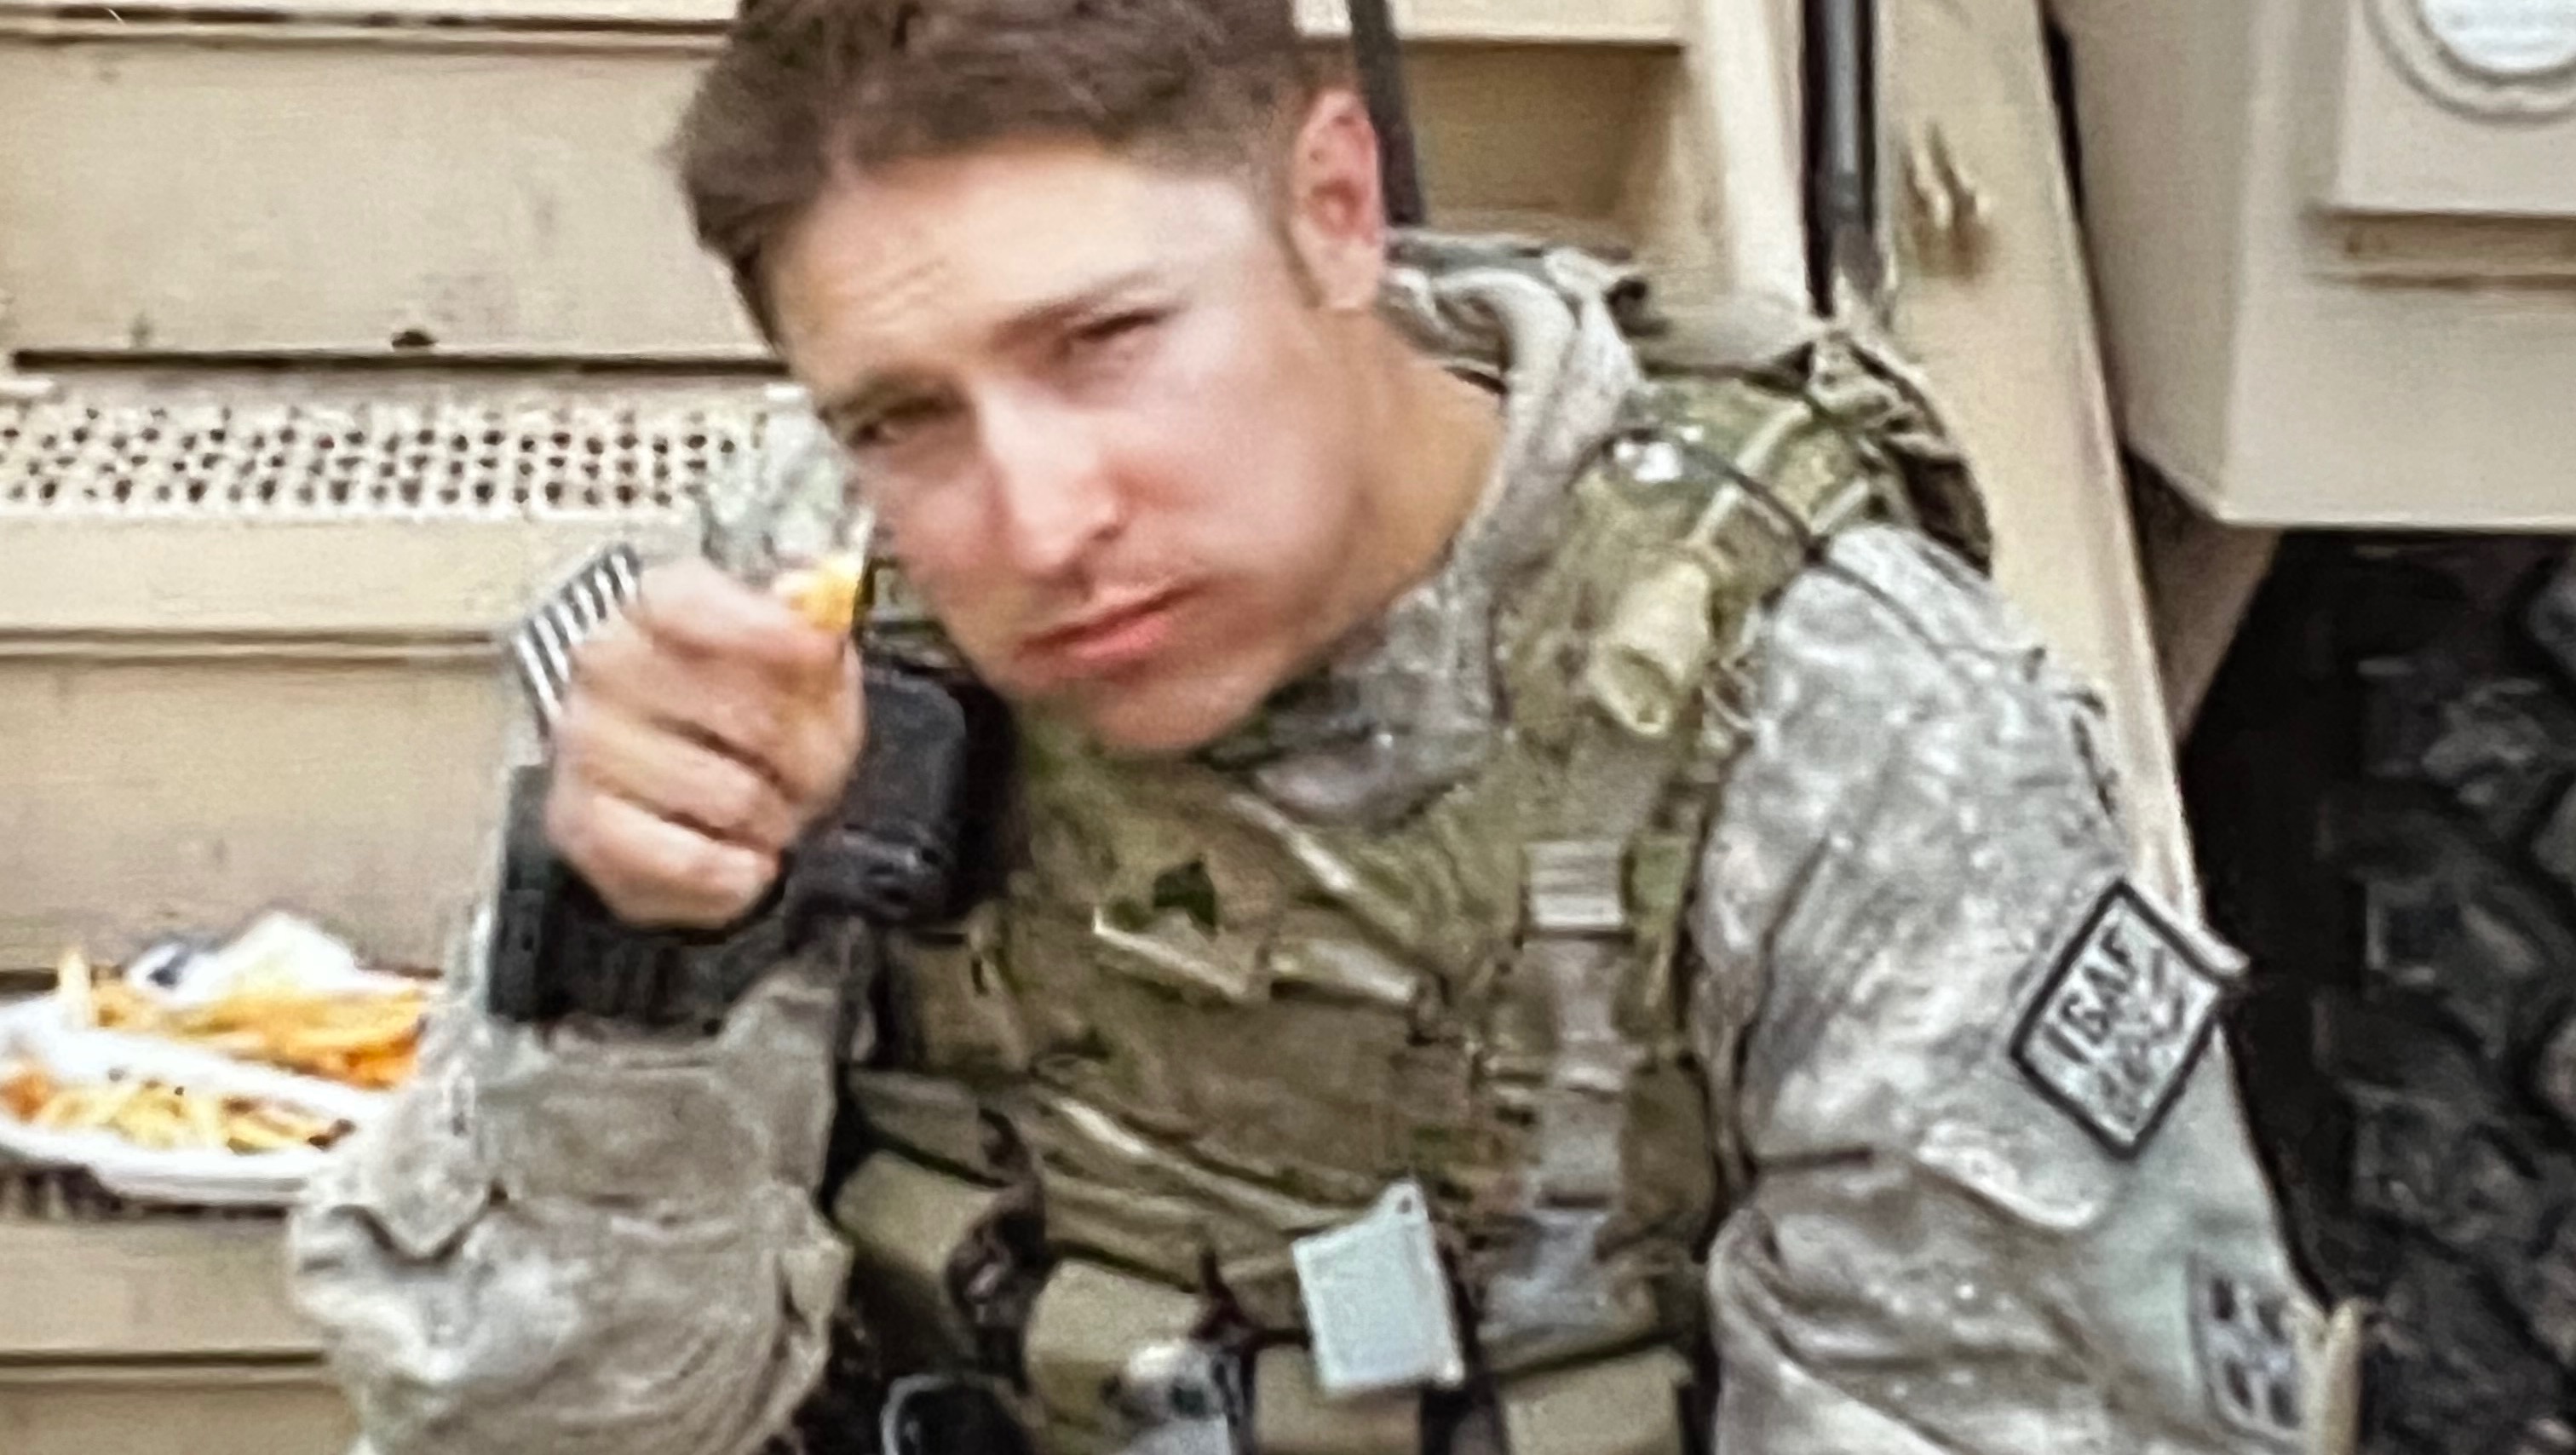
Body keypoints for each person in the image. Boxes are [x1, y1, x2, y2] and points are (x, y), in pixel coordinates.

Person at [285, 1, 2360, 1452]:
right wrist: (628, 968)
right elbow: (540, 1415)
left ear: (1338, 206)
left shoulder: (1835, 709)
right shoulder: (798, 594)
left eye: (1105, 339)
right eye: (905, 416)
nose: (1038, 520)